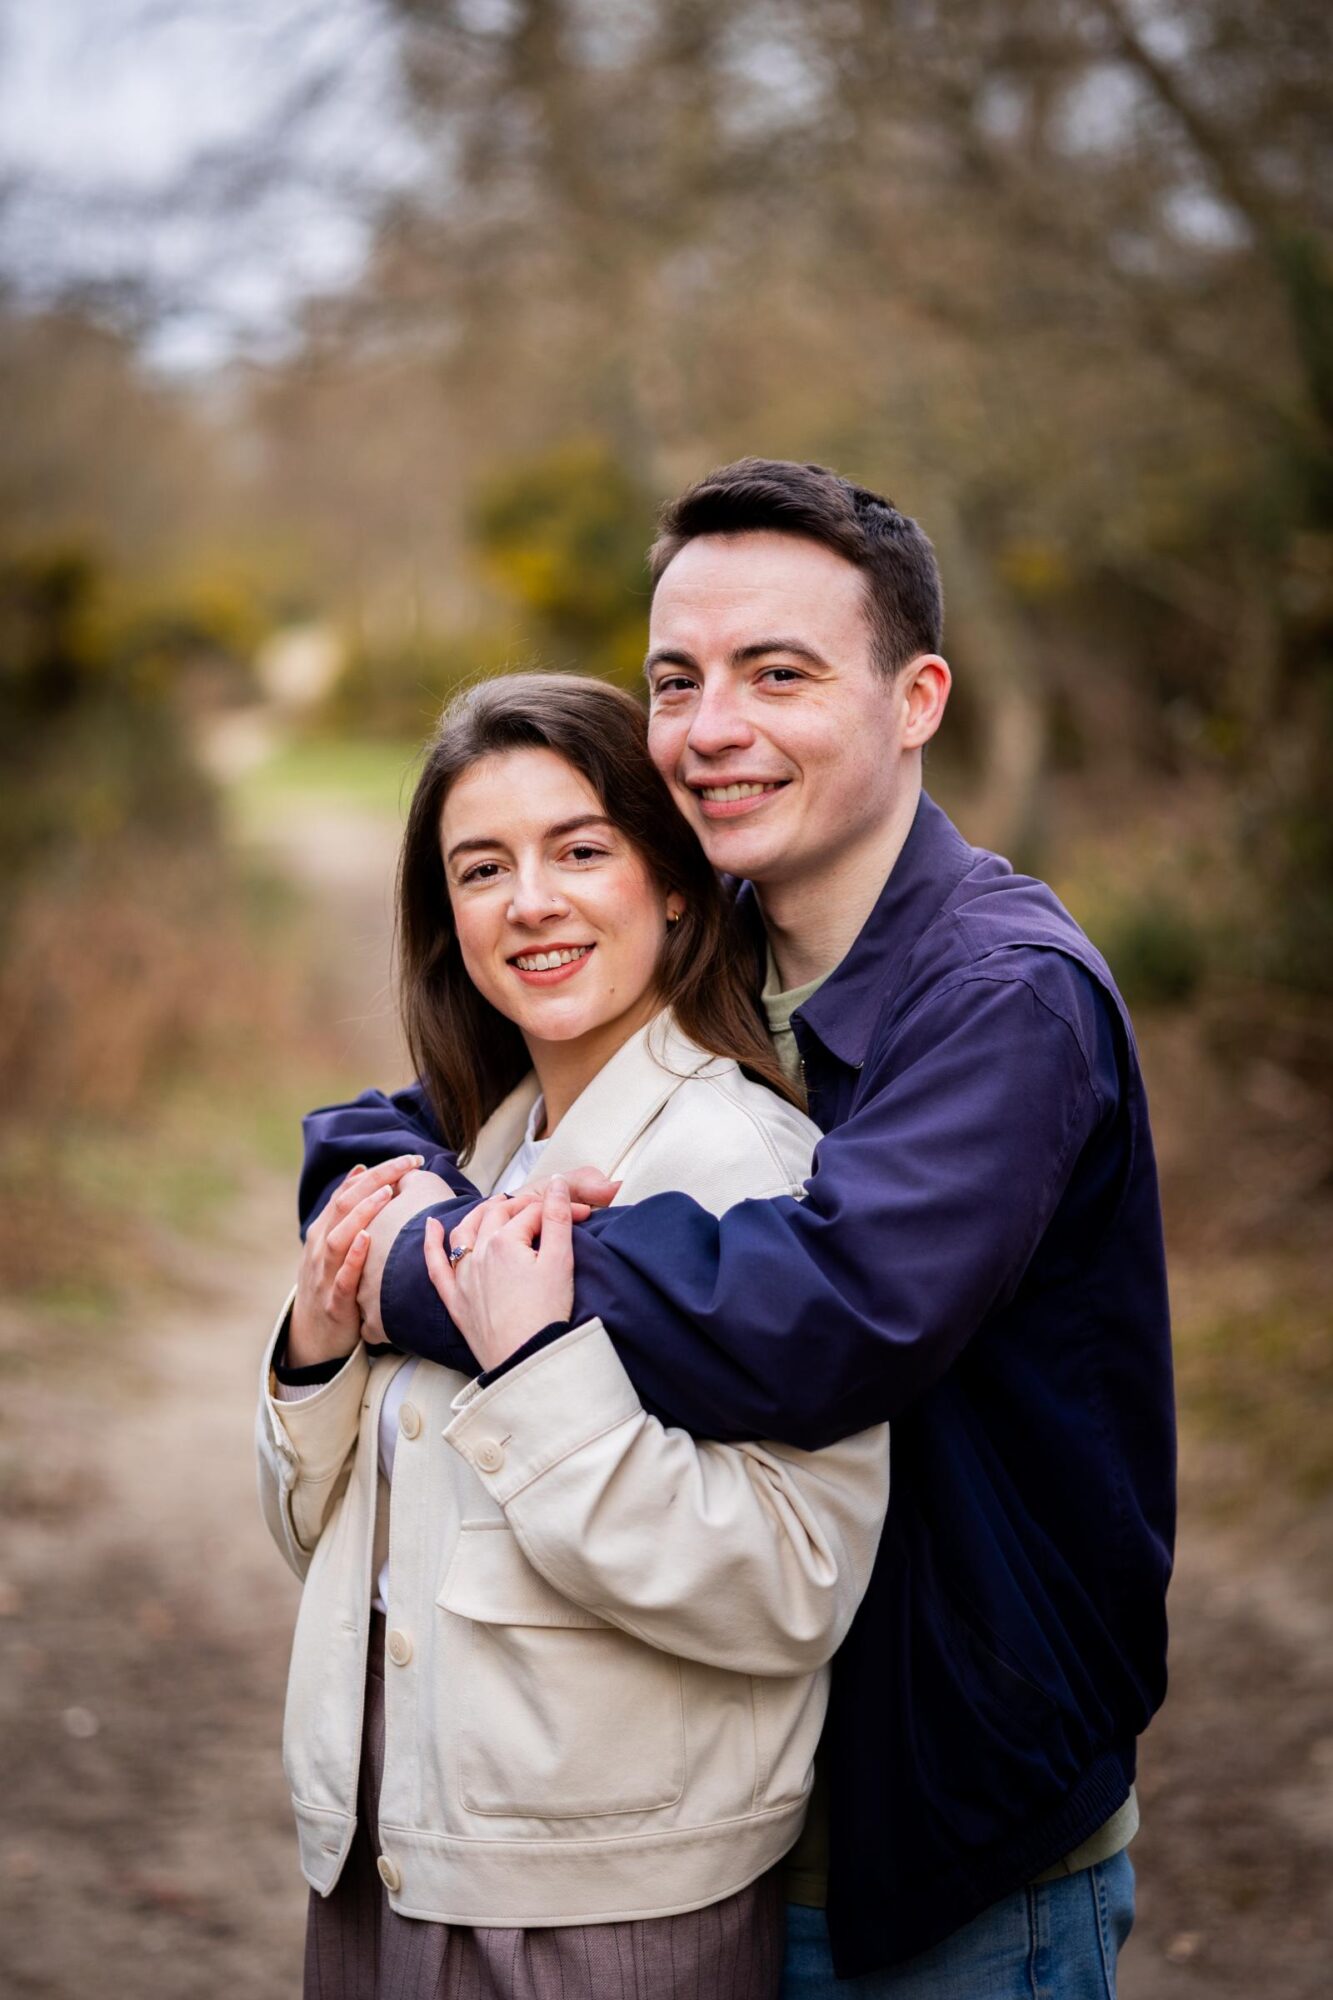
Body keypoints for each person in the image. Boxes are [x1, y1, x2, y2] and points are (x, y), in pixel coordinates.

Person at [302, 459, 1175, 1996]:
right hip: (748, 1826)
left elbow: (829, 1309)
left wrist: (444, 1270)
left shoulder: (1001, 995)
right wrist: (377, 1221)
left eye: (779, 674)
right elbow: (413, 1119)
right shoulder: (725, 946)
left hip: (958, 1833)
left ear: (915, 698)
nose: (713, 729)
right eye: (676, 680)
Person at [257, 672, 891, 2000]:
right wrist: (316, 1347)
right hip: (391, 1861)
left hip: (607, 1904)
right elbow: (320, 1539)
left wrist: (545, 1376)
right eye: (480, 868)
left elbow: (794, 1583)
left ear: (672, 881)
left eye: (578, 849)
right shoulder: (472, 1155)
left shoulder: (741, 1165)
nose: (527, 900)